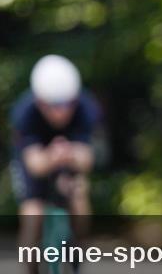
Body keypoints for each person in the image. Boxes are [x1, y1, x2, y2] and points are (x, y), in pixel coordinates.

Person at [10, 55, 99, 249]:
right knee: (33, 214)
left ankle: (77, 250)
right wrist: (51, 157)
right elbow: (34, 165)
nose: (61, 112)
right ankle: (30, 266)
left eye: (68, 104)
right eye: (54, 105)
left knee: (80, 200)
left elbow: (87, 160)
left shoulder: (86, 107)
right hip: (35, 159)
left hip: (68, 157)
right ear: (40, 102)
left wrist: (70, 155)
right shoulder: (24, 113)